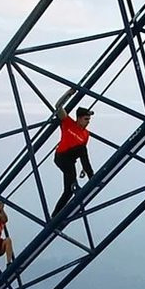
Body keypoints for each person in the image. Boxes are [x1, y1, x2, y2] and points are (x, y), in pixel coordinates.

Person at [51, 88, 95, 218]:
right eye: (86, 119)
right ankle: (91, 177)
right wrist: (69, 93)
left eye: (89, 119)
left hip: (71, 160)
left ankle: (55, 216)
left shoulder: (86, 134)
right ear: (79, 118)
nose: (88, 122)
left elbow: (83, 154)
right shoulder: (68, 123)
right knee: (72, 176)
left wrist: (83, 168)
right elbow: (58, 106)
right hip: (61, 157)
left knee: (68, 190)